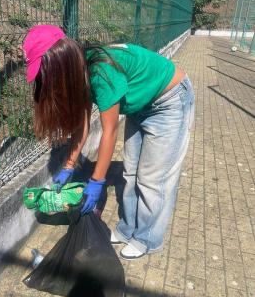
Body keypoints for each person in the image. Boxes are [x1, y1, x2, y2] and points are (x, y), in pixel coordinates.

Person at [23, 25, 195, 260]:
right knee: (131, 173)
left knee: (154, 179)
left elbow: (109, 131)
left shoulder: (100, 71)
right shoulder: (79, 73)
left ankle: (147, 239)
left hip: (170, 101)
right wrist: (68, 166)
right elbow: (82, 126)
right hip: (141, 106)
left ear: (60, 63)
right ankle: (127, 230)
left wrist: (96, 182)